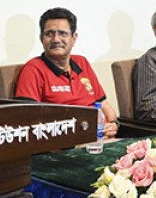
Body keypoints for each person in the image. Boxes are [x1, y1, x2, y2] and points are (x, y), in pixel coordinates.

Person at [14, 7, 118, 138]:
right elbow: (27, 118)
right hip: (65, 141)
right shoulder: (33, 69)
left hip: (100, 137)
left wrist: (114, 124)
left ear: (74, 38)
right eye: (49, 34)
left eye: (63, 33)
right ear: (41, 38)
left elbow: (103, 104)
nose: (56, 39)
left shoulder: (82, 62)